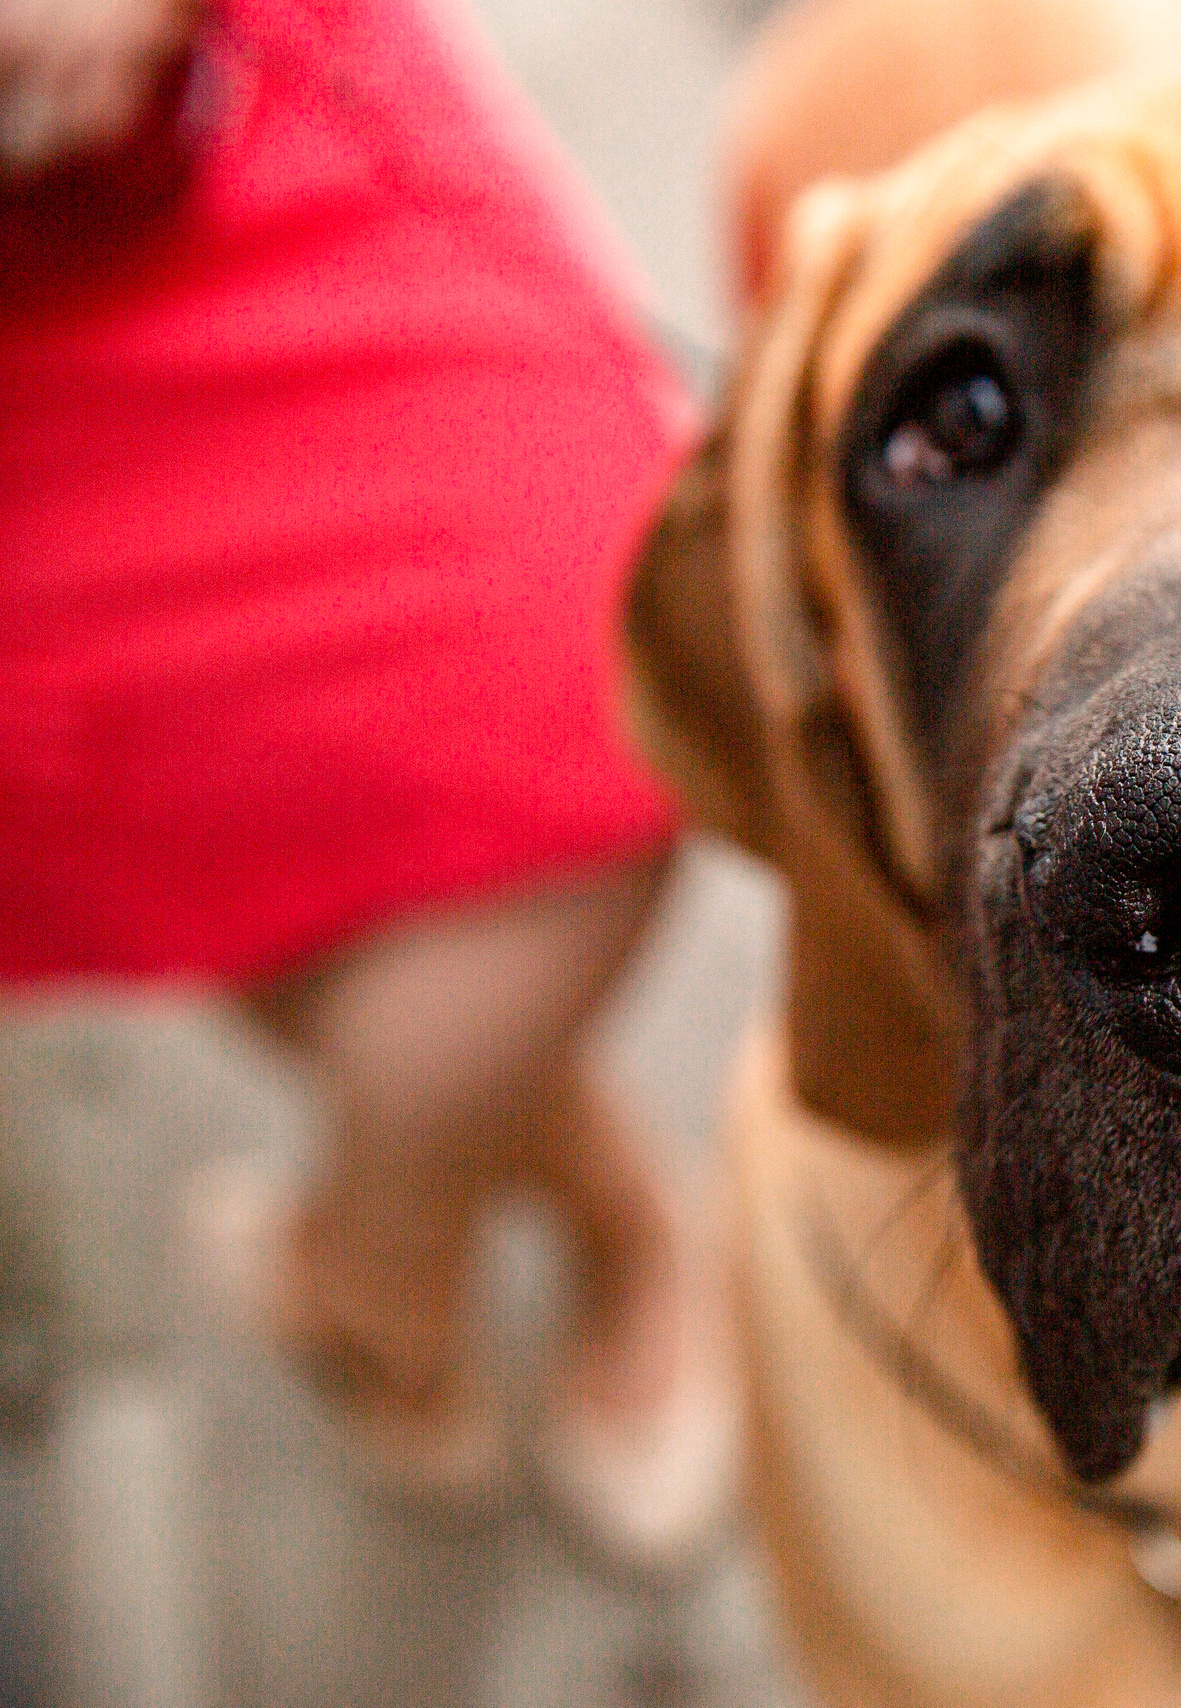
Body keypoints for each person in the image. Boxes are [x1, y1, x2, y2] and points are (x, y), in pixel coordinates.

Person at [1, 0, 731, 1562]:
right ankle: (582, 1218)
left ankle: (381, 1266)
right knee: (185, 779)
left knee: (600, 654)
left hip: (220, 138)